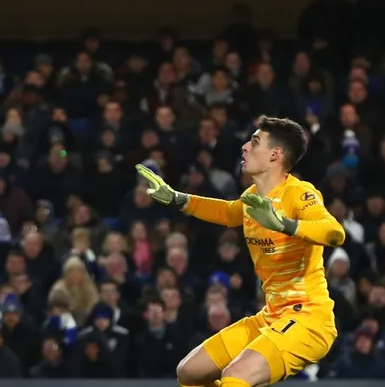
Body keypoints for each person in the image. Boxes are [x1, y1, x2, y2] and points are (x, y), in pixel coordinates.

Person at [135, 116, 345, 387]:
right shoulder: (252, 198)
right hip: (271, 316)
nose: (245, 147)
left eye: (255, 142)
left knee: (236, 376)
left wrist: (284, 224)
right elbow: (226, 211)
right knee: (189, 372)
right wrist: (178, 198)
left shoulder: (300, 194)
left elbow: (335, 232)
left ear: (275, 154)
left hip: (308, 319)